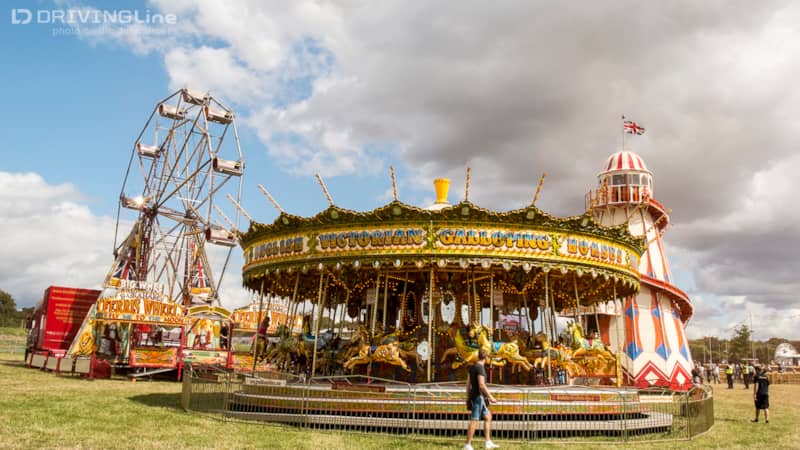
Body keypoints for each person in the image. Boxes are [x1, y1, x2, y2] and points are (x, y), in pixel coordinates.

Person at [465, 348, 499, 450]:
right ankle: (467, 444)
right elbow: (482, 385)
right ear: (486, 357)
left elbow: (467, 384)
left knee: (488, 417)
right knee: (474, 420)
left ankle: (488, 442)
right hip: (479, 397)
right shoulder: (480, 368)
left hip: (474, 396)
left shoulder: (472, 367)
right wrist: (491, 397)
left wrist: (467, 397)